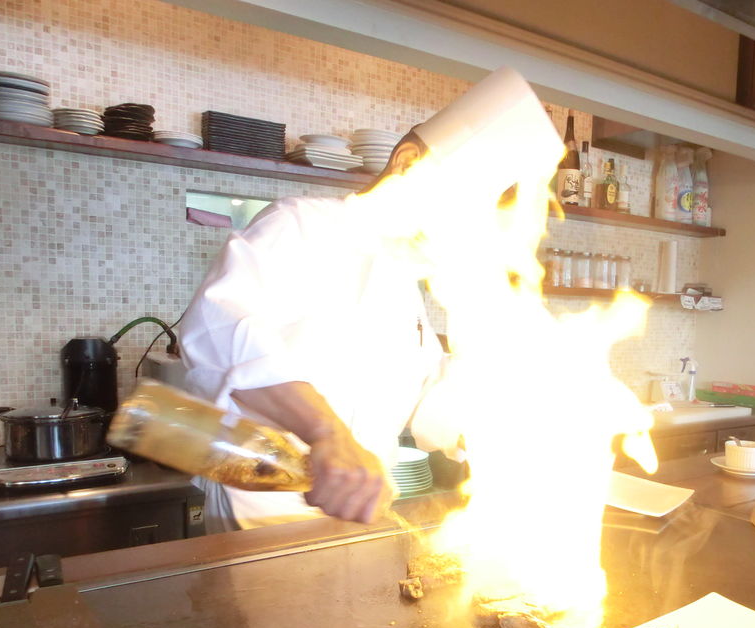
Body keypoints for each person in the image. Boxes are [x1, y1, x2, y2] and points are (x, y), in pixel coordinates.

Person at [179, 67, 564, 533]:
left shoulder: (402, 278)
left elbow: (424, 394)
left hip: (356, 523)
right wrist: (327, 433)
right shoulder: (301, 226)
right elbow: (216, 329)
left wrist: (494, 424)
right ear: (406, 162)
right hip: (261, 520)